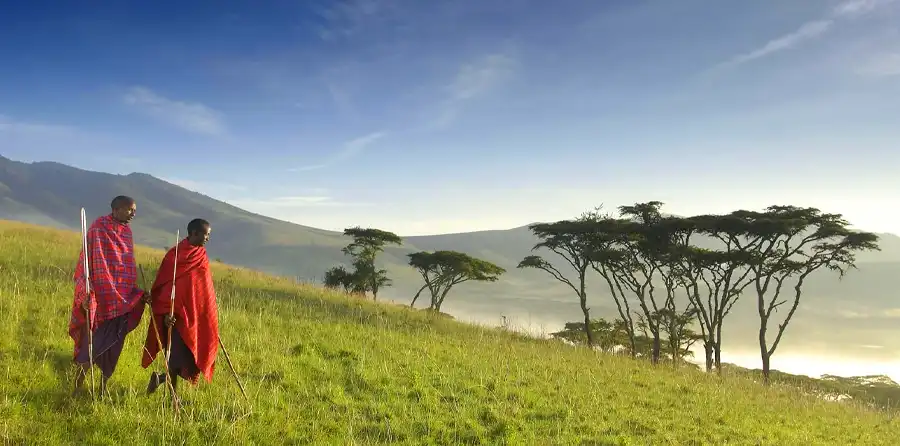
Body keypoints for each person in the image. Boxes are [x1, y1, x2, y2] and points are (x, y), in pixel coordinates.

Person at [70, 195, 149, 397]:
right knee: (93, 343)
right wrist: (86, 291)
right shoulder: (98, 228)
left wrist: (137, 294)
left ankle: (103, 386)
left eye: (134, 210)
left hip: (121, 300)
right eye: (129, 209)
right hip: (100, 298)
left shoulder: (127, 233)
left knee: (114, 345)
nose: (133, 213)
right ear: (115, 209)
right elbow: (87, 262)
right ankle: (78, 385)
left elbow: (127, 268)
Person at [142, 218, 219, 408]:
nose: (207, 238)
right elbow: (164, 287)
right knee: (174, 357)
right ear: (193, 233)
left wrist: (205, 313)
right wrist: (167, 311)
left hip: (193, 317)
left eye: (209, 235)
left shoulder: (201, 255)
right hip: (174, 318)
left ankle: (161, 380)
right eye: (205, 234)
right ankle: (173, 398)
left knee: (187, 357)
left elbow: (202, 289)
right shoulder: (174, 256)